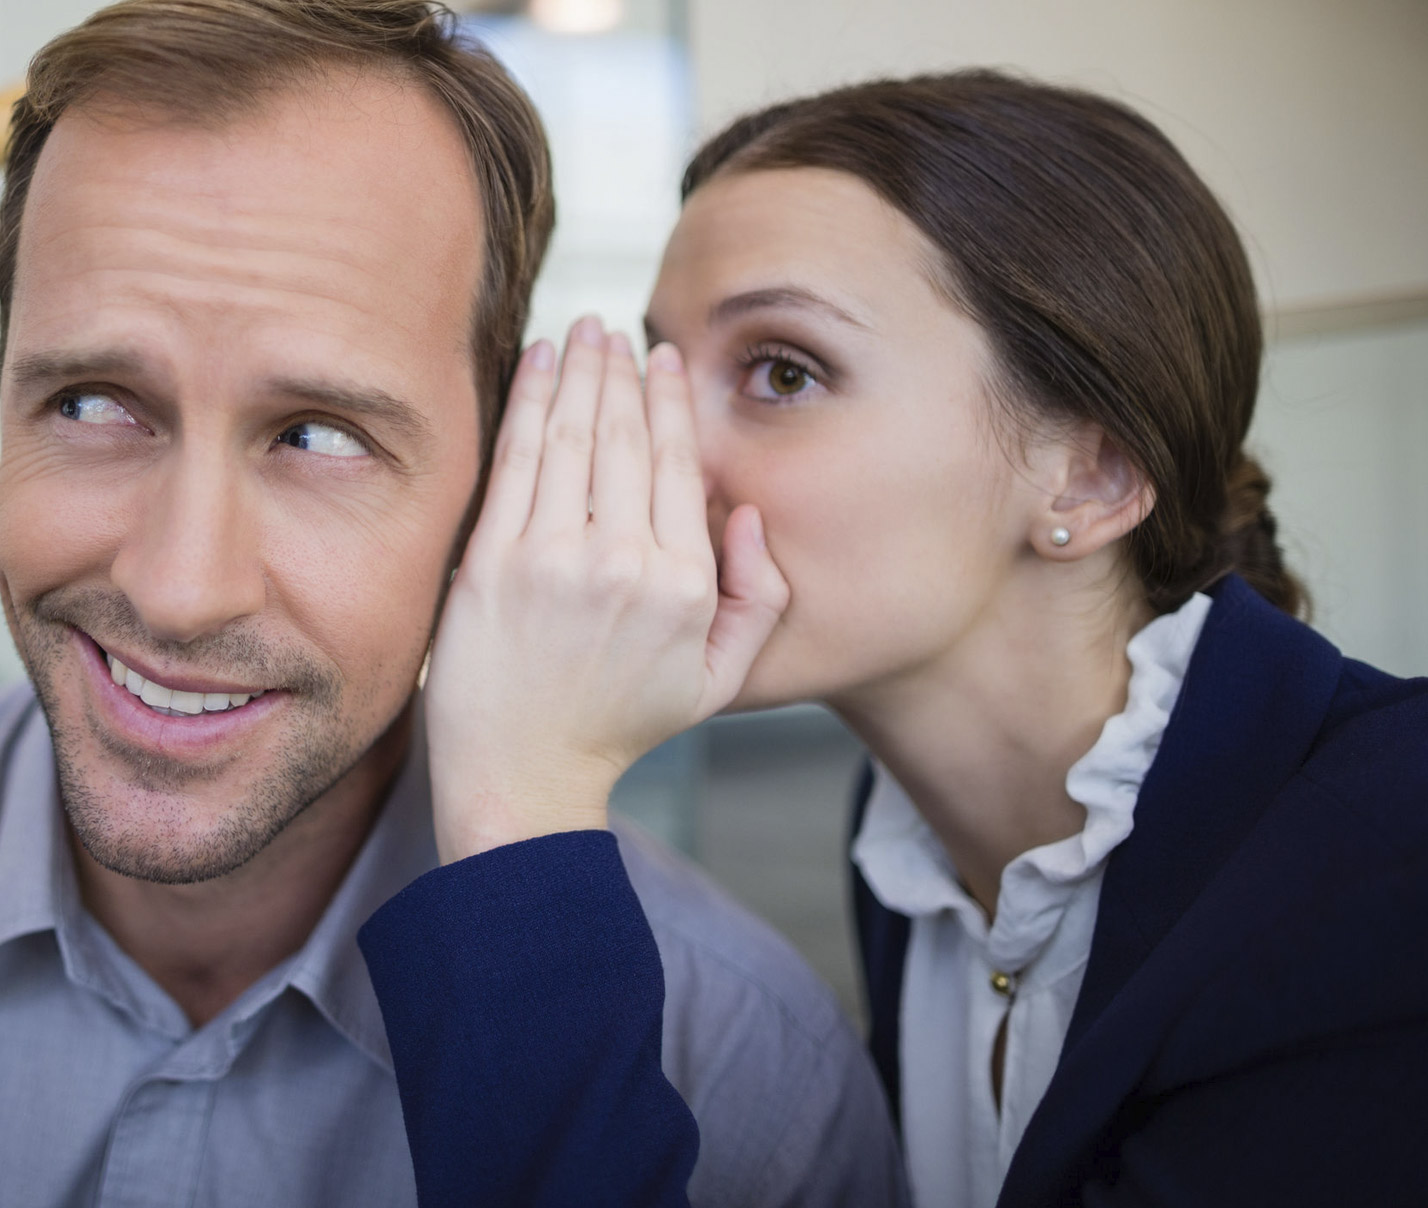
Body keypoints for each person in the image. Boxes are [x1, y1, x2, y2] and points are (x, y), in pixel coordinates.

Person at [0, 0, 903, 1207]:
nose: (181, 590)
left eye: (318, 436)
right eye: (93, 404)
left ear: (495, 482)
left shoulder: (742, 1079)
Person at [361, 72, 1428, 1207]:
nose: (657, 450)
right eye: (661, 367)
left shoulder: (1388, 860)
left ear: (1092, 472)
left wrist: (523, 802)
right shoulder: (908, 852)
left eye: (782, 370)